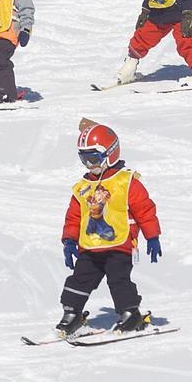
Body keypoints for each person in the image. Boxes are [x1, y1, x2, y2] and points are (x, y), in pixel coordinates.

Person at [55, 118, 162, 337]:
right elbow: (74, 217)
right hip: (90, 246)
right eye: (84, 160)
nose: (89, 166)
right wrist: (69, 240)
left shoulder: (126, 182)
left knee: (117, 278)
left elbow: (144, 209)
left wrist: (152, 236)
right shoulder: (82, 188)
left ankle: (130, 314)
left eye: (93, 159)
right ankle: (71, 313)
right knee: (79, 279)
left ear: (110, 154)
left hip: (120, 245)